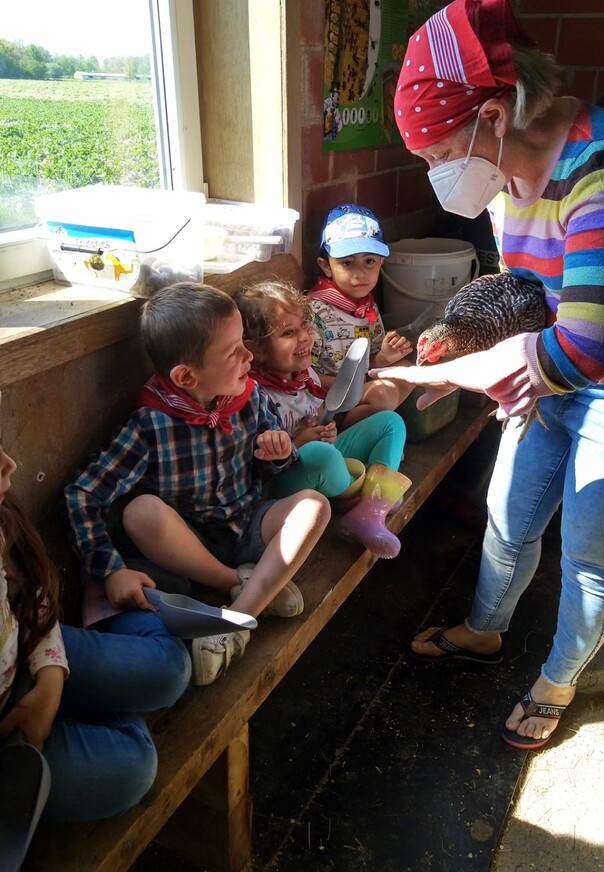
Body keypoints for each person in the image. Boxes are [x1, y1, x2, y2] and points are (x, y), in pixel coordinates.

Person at [372, 0, 604, 748]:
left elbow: (590, 345)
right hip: (565, 368)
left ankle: (557, 680)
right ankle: (486, 629)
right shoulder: (503, 178)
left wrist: (451, 377)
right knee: (510, 512)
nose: (434, 175)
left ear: (493, 117)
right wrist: (461, 333)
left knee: (593, 553)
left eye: (433, 156)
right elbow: (532, 289)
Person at [64, 284, 331, 687]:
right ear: (187, 376)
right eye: (234, 351)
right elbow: (81, 492)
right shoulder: (149, 425)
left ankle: (237, 622)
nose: (248, 356)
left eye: (245, 343)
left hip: (248, 523)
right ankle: (240, 583)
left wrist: (278, 452)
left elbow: (278, 470)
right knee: (141, 511)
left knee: (314, 505)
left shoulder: (250, 397)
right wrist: (108, 569)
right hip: (190, 548)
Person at [0, 402, 191, 823]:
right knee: (133, 766)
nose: (9, 465)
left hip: (27, 655)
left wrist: (50, 681)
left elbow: (31, 598)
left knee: (172, 668)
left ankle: (104, 606)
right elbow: (81, 492)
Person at [235, 279, 411, 558]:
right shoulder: (256, 395)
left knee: (390, 422)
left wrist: (325, 427)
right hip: (288, 484)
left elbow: (319, 414)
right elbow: (256, 466)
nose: (305, 337)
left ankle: (370, 509)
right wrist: (299, 442)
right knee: (321, 454)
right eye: (289, 333)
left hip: (326, 460)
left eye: (305, 326)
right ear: (254, 349)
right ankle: (362, 498)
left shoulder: (305, 375)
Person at [310, 203, 416, 426]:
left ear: (381, 261)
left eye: (369, 261)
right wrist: (345, 386)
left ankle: (372, 424)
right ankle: (348, 431)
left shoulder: (366, 305)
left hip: (359, 389)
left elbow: (370, 363)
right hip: (325, 399)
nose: (360, 273)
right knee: (381, 395)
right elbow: (303, 374)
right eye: (347, 263)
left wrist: (384, 358)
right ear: (326, 266)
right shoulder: (314, 312)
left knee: (408, 371)